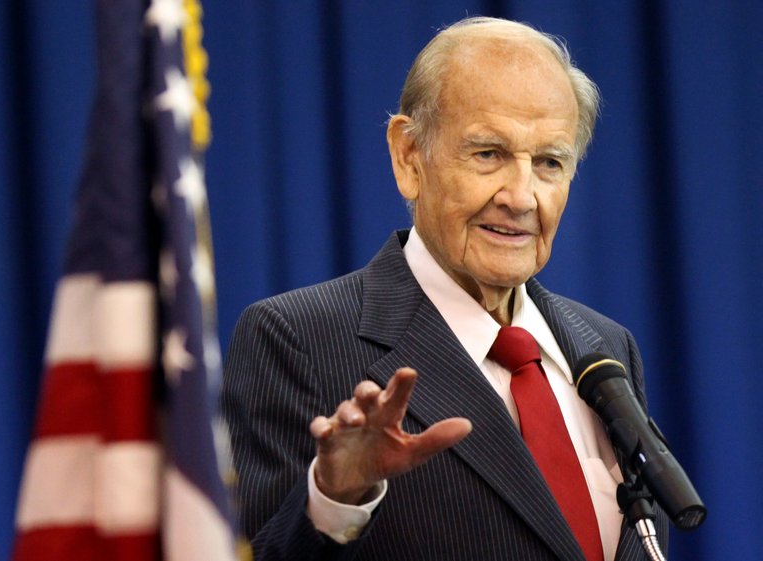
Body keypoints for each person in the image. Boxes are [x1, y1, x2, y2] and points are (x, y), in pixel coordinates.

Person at [222, 16, 668, 561]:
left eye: (550, 162)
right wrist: (336, 499)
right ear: (409, 156)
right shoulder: (298, 338)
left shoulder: (605, 347)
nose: (522, 197)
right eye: (488, 154)